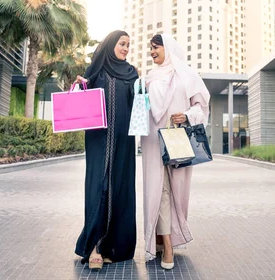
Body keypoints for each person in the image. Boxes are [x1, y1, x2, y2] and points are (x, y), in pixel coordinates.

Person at [141, 34, 211, 269]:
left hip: (178, 137)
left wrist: (187, 116)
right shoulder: (148, 79)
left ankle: (167, 237)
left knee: (178, 192)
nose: (152, 52)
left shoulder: (187, 75)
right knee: (158, 192)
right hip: (152, 139)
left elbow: (201, 107)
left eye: (156, 47)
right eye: (150, 48)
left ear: (167, 48)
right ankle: (166, 247)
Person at [74, 30, 139, 270]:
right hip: (98, 141)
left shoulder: (132, 73)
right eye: (122, 44)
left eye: (128, 45)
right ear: (111, 44)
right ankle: (93, 248)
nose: (125, 48)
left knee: (119, 189)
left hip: (123, 142)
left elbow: (138, 106)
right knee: (98, 189)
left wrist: (141, 89)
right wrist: (81, 86)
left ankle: (113, 247)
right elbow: (82, 105)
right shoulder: (95, 72)